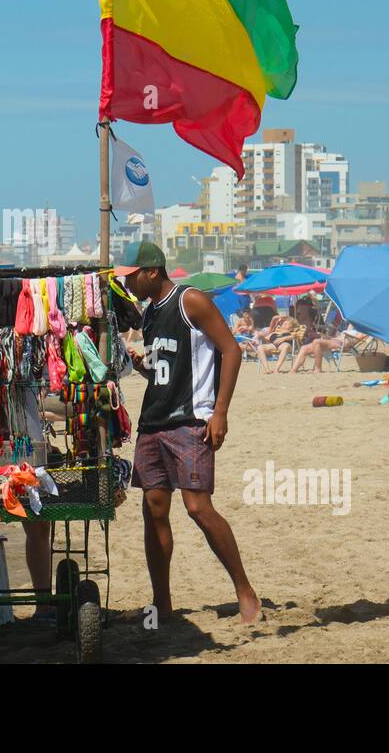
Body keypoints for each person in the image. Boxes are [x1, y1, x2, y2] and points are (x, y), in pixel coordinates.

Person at [116, 241, 260, 624]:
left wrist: (220, 412)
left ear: (152, 271)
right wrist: (144, 366)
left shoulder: (190, 300)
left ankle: (245, 592)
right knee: (154, 510)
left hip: (191, 420)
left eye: (132, 277)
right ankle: (161, 604)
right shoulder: (149, 314)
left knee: (198, 507)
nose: (128, 284)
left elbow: (231, 350)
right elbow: (167, 370)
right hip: (153, 421)